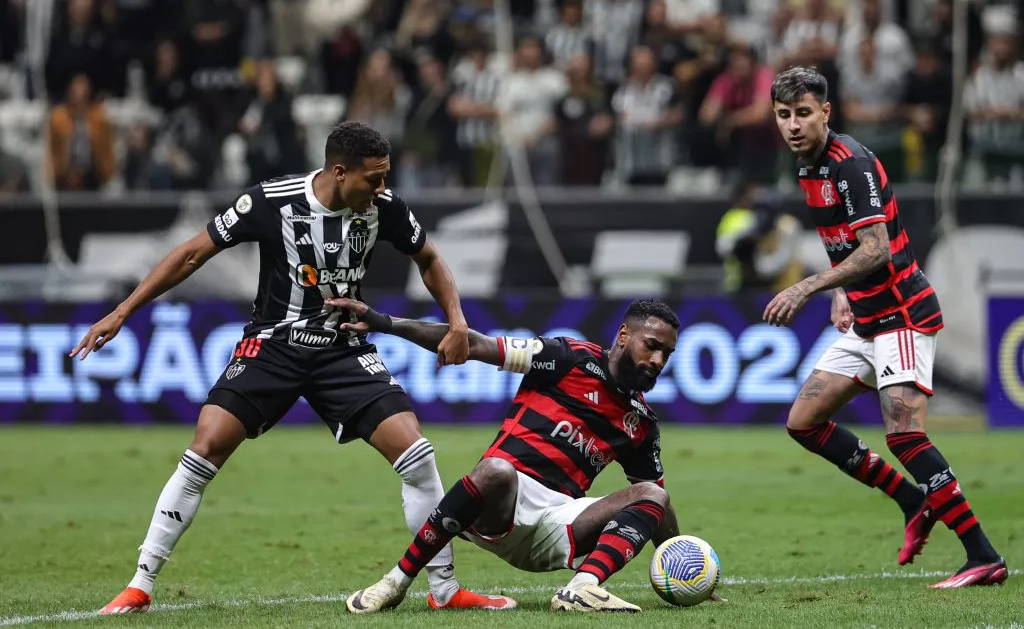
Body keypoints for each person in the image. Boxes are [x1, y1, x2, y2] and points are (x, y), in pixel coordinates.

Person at [71, 122, 515, 613]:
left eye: (386, 178)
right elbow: (194, 253)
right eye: (374, 179)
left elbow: (428, 258)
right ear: (340, 172)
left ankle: (445, 590)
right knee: (205, 448)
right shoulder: (270, 201)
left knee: (417, 455)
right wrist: (121, 312)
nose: (383, 189)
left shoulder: (383, 209)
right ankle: (140, 585)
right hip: (273, 347)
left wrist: (457, 321)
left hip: (343, 349)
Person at [764, 67, 1007, 589]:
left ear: (825, 112)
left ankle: (983, 556)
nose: (793, 125)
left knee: (905, 434)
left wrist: (807, 286)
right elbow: (842, 242)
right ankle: (912, 500)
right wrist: (838, 292)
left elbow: (874, 248)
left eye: (803, 113)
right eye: (784, 115)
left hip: (902, 313)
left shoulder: (850, 164)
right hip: (865, 317)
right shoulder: (807, 168)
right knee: (803, 421)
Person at [332, 296, 713, 614]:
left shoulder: (641, 421)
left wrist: (679, 563)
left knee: (654, 495)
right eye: (652, 345)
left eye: (667, 353)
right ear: (624, 335)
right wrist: (384, 322)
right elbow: (474, 343)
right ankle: (395, 582)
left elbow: (656, 502)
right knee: (496, 470)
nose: (659, 361)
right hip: (498, 506)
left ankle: (582, 588)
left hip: (558, 523)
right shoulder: (567, 358)